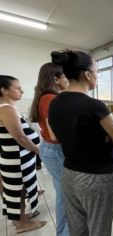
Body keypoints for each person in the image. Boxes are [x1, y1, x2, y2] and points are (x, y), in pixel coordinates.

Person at [48, 50, 113, 236]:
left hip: (69, 173)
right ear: (87, 74)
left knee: (77, 227)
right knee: (99, 227)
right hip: (96, 177)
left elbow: (54, 136)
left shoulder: (55, 103)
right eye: (97, 72)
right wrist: (102, 136)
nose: (97, 77)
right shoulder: (94, 105)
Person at [0, 75, 46, 233]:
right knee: (18, 191)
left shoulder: (8, 108)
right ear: (4, 90)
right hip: (16, 160)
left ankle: (20, 219)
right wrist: (37, 150)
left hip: (18, 158)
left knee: (19, 190)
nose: (22, 91)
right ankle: (21, 224)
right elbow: (20, 137)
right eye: (17, 88)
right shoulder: (6, 109)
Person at [29, 62, 70, 236]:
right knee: (65, 197)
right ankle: (64, 233)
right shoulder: (51, 99)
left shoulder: (44, 97)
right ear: (56, 79)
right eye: (65, 76)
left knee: (63, 193)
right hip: (55, 151)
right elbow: (55, 135)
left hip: (50, 150)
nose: (68, 80)